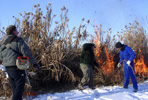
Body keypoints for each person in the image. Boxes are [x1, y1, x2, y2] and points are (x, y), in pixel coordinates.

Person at [0, 25, 39, 100]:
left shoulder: (4, 43)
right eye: (16, 30)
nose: (18, 32)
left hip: (8, 67)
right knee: (20, 87)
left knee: (15, 87)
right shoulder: (18, 40)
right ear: (13, 31)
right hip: (18, 66)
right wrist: (34, 63)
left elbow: (0, 55)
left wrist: (5, 62)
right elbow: (26, 52)